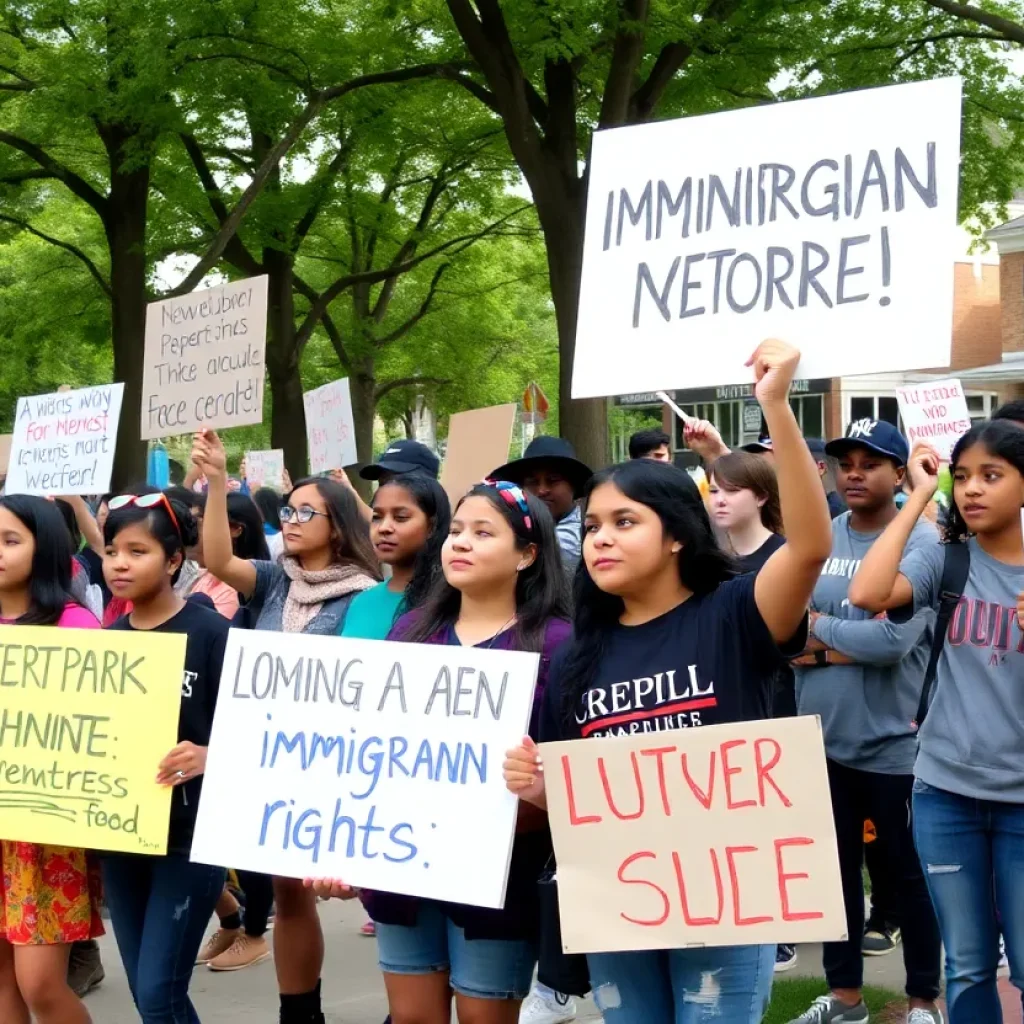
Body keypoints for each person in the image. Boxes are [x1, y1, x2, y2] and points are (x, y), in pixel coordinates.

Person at [506, 339, 832, 1024]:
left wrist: (774, 406)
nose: (600, 539)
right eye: (592, 525)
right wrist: (535, 784)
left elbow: (809, 546)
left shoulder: (735, 613)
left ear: (678, 534)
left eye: (625, 522)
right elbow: (569, 795)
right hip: (622, 906)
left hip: (728, 900)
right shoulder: (576, 656)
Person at [309, 480, 572, 1024]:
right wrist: (337, 846)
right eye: (455, 531)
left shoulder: (557, 644)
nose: (461, 544)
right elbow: (366, 753)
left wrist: (535, 781)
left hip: (498, 879)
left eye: (482, 533)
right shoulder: (411, 631)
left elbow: (571, 772)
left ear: (527, 554)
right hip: (401, 869)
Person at [192, 427, 380, 1024]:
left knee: (354, 888)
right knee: (289, 893)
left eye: (307, 511)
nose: (292, 520)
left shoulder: (367, 598)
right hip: (272, 762)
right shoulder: (276, 581)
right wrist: (219, 483)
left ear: (339, 524)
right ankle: (300, 1013)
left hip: (336, 765)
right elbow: (217, 559)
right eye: (289, 508)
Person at [850, 420, 1024, 1024]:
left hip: (1021, 800)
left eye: (992, 476)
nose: (972, 489)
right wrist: (918, 496)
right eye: (965, 475)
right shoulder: (950, 563)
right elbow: (868, 593)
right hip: (944, 792)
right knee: (969, 964)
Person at [787, 419, 942, 1024]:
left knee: (908, 881)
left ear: (899, 473)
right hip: (822, 741)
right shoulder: (821, 537)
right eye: (843, 460)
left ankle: (924, 1000)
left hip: (897, 747)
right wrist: (843, 636)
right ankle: (845, 997)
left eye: (870, 462)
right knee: (834, 879)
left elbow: (894, 642)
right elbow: (785, 632)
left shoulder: (923, 543)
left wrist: (819, 633)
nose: (852, 471)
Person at [99, 491, 231, 1023]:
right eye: (111, 551)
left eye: (137, 551)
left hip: (189, 841)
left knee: (157, 992)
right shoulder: (104, 642)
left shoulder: (211, 634)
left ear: (175, 560)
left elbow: (261, 737)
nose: (119, 564)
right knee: (150, 994)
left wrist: (210, 754)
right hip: (120, 837)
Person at [0, 495, 102, 1024]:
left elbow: (104, 731)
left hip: (46, 834)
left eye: (10, 540)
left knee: (40, 986)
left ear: (45, 550)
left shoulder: (76, 625)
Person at [338, 471, 451, 940]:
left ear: (435, 525)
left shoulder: (454, 602)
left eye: (401, 517)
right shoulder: (362, 603)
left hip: (433, 786)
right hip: (370, 783)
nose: (384, 526)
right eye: (378, 516)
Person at [708, 450, 800, 974]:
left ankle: (777, 925)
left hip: (774, 705)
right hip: (721, 706)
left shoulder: (781, 555)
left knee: (769, 820)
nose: (718, 499)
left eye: (730, 490)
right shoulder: (708, 558)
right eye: (713, 489)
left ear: (761, 496)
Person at [491, 437, 592, 574]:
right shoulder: (520, 526)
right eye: (532, 482)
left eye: (553, 480)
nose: (542, 490)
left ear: (573, 486)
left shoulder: (575, 540)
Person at [253, 487, 285, 561]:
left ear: (263, 507)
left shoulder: (279, 538)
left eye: (254, 506)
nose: (252, 510)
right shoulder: (257, 530)